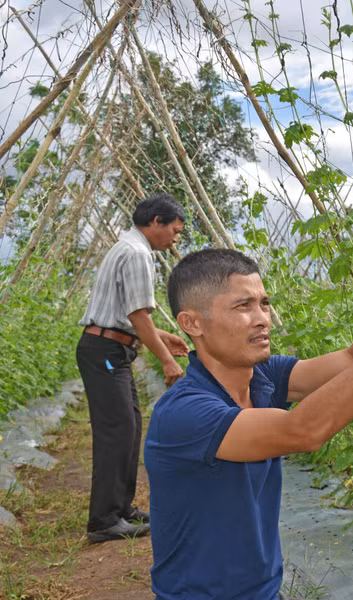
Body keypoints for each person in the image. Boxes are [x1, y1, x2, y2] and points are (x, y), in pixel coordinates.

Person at [143, 242, 353, 599]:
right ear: (192, 323)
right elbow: (303, 430)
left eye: (264, 303)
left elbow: (352, 359)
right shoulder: (184, 412)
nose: (261, 318)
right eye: (243, 306)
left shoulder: (262, 376)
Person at [76, 193, 190, 544]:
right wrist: (166, 358)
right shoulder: (138, 253)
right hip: (107, 350)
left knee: (129, 425)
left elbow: (130, 314)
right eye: (174, 230)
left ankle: (121, 509)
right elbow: (138, 315)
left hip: (111, 347)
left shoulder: (127, 247)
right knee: (118, 428)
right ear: (155, 221)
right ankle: (104, 520)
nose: (175, 238)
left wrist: (164, 336)